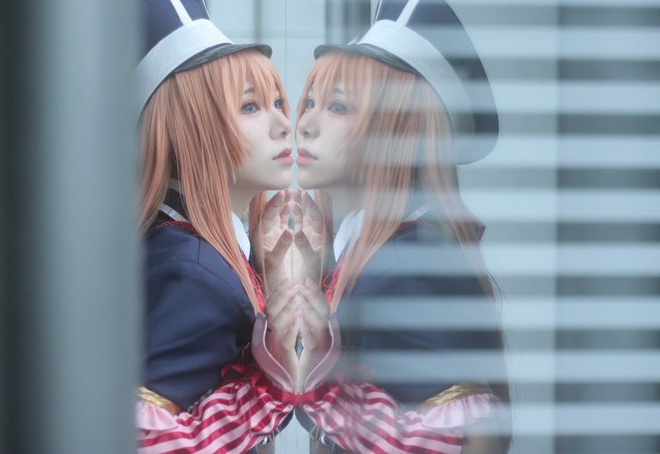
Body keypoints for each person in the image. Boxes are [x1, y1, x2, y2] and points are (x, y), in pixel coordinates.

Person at [263, 0, 512, 452]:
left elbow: (464, 437)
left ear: (398, 133)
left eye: (338, 106)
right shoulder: (385, 258)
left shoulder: (409, 269)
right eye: (311, 102)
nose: (305, 123)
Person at [134, 1, 297, 452]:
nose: (284, 124)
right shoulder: (195, 274)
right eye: (251, 106)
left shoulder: (181, 253)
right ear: (191, 130)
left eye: (278, 103)